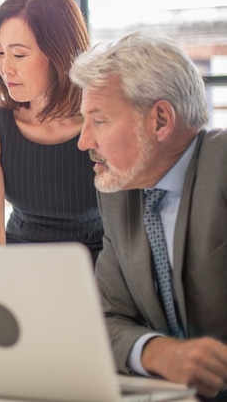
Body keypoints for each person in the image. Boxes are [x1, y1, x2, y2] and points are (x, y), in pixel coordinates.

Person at [71, 31, 227, 400]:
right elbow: (105, 321)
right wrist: (159, 352)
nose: (83, 141)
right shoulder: (118, 195)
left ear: (160, 120)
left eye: (100, 121)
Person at [0, 0, 103, 264]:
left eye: (18, 55)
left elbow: (128, 234)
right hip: (19, 270)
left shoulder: (102, 120)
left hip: (99, 270)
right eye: (0, 53)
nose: (5, 68)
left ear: (59, 55)